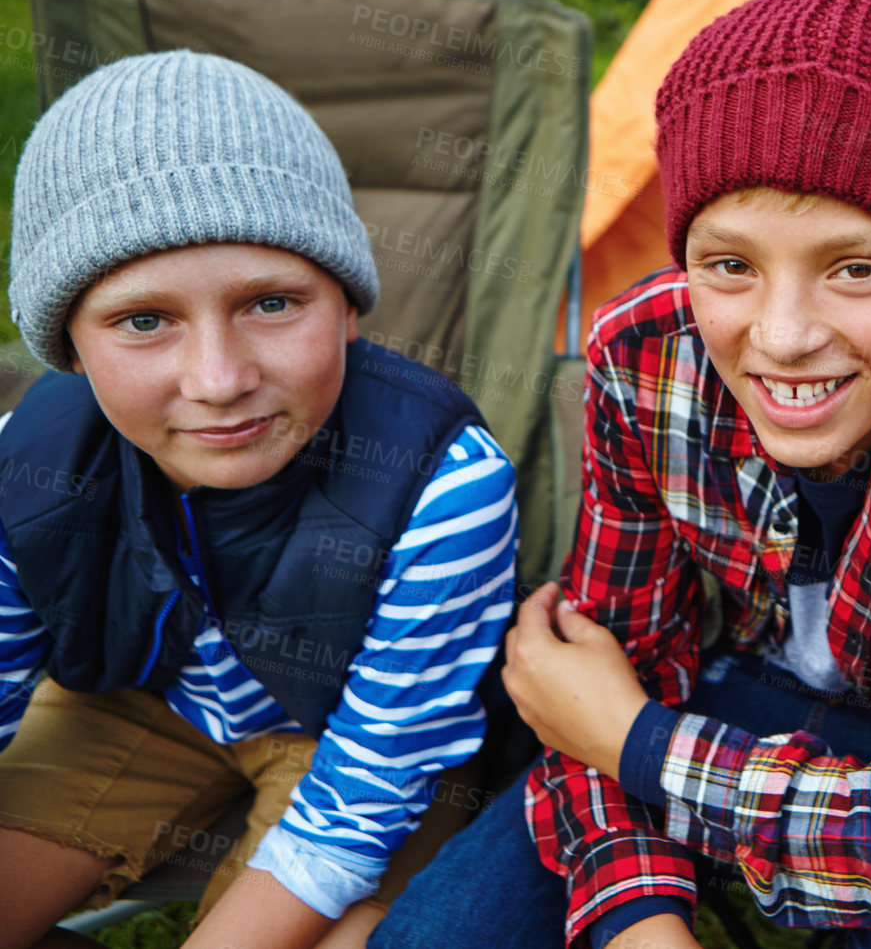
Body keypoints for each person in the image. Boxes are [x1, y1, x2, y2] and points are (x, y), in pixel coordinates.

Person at [370, 0, 871, 949]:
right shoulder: (647, 350)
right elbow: (609, 660)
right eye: (729, 264)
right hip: (737, 695)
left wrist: (640, 744)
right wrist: (639, 908)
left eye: (857, 267)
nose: (785, 334)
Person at [0, 50, 520, 949]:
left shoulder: (445, 484)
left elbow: (364, 799)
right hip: (143, 701)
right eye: (143, 321)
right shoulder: (28, 462)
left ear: (350, 307)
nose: (219, 379)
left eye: (272, 303)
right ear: (72, 349)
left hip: (354, 743)